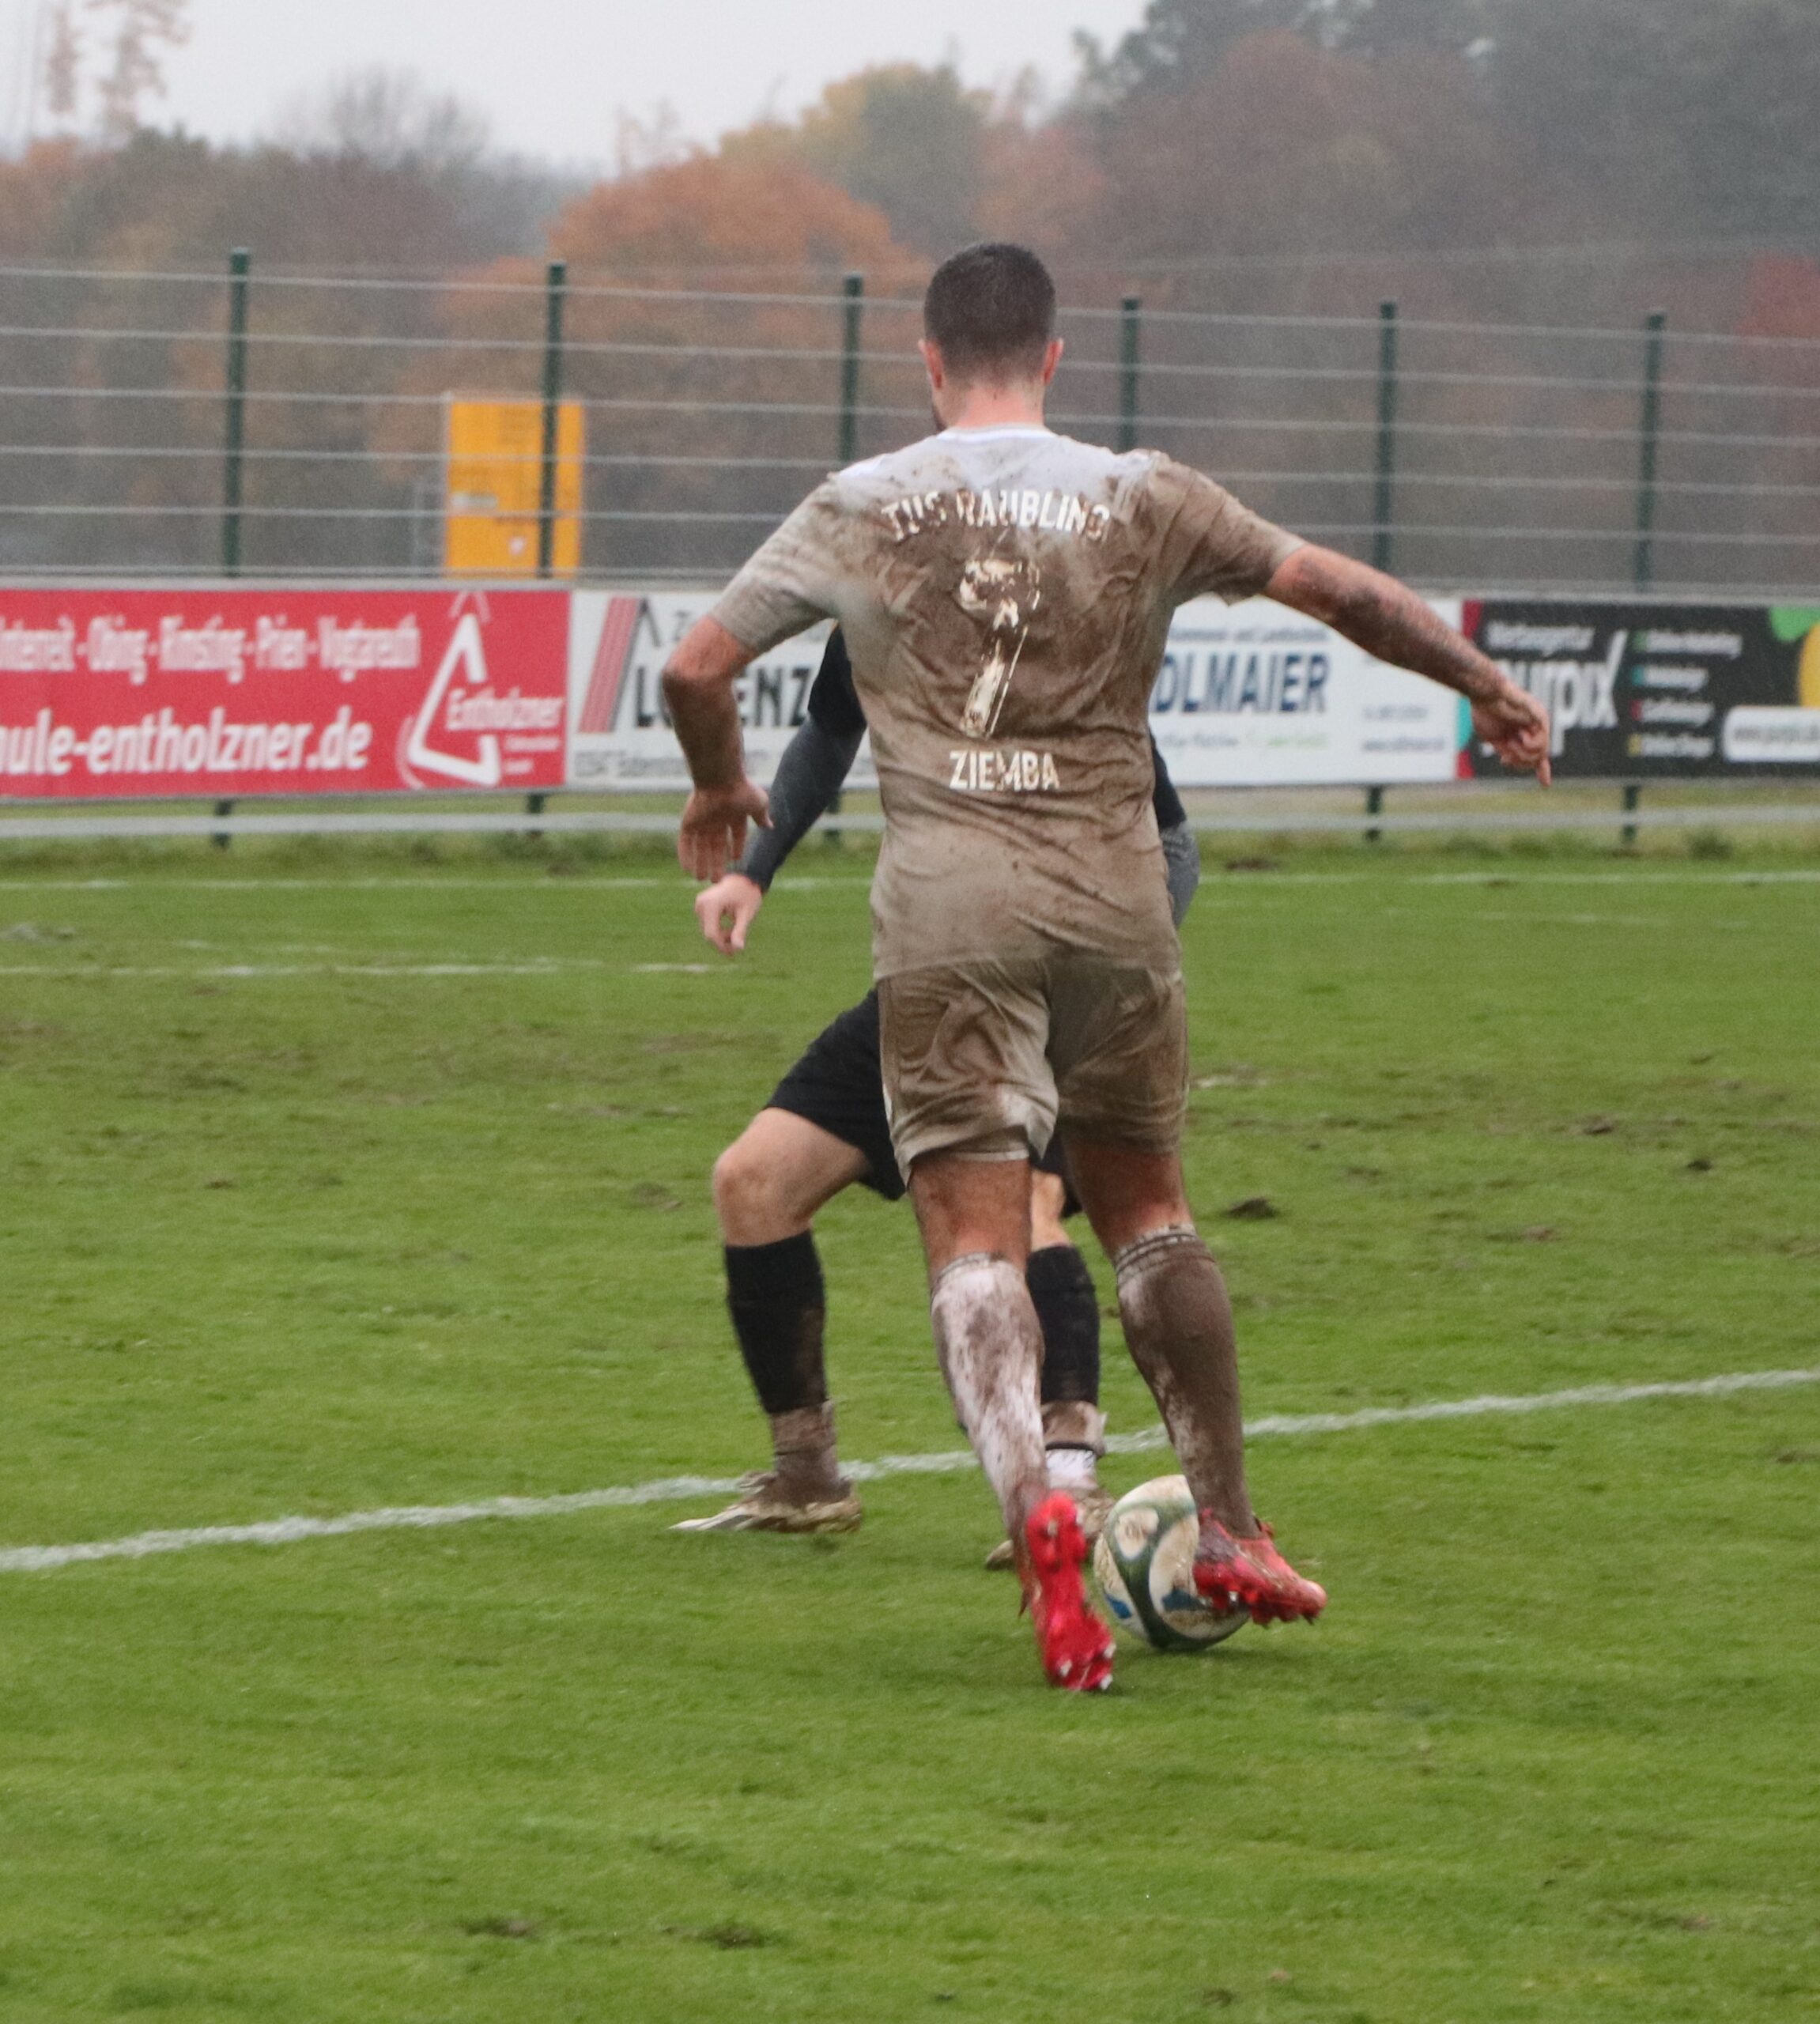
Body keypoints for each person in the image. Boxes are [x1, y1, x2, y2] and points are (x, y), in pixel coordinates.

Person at [663, 243, 1550, 1692]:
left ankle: (1037, 1511)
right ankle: (1230, 1528)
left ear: (928, 361)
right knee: (1150, 1217)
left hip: (951, 915)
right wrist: (1484, 685)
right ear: (1054, 357)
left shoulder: (862, 504)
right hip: (1117, 903)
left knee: (973, 1242)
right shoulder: (1145, 493)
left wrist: (719, 789)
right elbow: (1337, 591)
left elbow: (695, 668)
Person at [673, 626, 1202, 1557]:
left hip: (1071, 956)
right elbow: (828, 733)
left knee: (1023, 1208)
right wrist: (753, 871)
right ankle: (807, 1477)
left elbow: (1168, 840)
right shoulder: (877, 597)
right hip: (939, 964)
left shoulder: (1046, 619)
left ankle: (1068, 1485)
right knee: (754, 1183)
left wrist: (1101, 965)